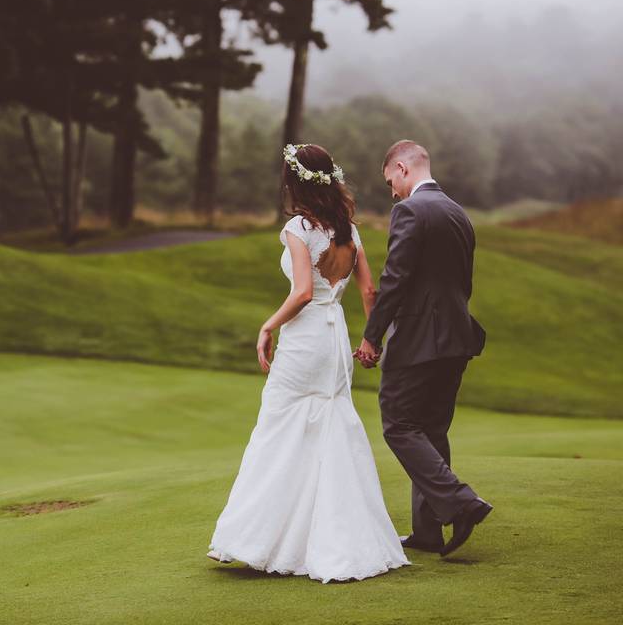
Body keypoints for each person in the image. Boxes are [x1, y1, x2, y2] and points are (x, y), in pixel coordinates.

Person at [206, 143, 410, 582]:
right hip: (334, 339)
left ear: (295, 182)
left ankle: (259, 541)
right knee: (331, 426)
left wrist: (268, 325)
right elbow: (370, 291)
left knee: (279, 427)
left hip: (305, 340)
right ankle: (340, 541)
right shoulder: (349, 231)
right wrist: (371, 340)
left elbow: (301, 293)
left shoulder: (299, 227)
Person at [354, 140, 491, 557]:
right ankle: (428, 532)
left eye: (390, 181)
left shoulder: (410, 210)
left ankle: (461, 502)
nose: (391, 191)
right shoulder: (458, 212)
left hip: (418, 339)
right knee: (431, 430)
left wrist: (371, 336)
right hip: (457, 337)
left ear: (401, 168)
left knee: (398, 425)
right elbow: (461, 284)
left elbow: (396, 279)